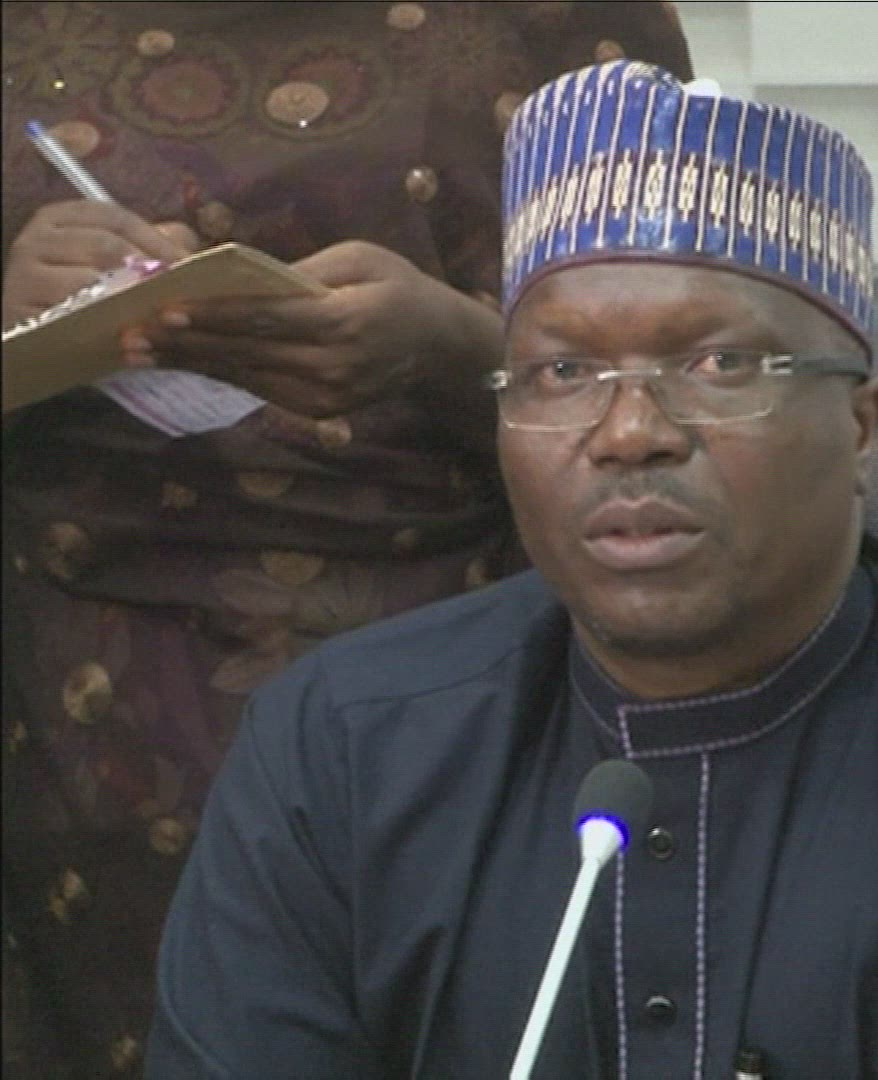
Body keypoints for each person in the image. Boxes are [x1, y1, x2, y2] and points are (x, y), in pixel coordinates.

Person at [147, 59, 878, 1077]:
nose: (629, 432)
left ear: (861, 426)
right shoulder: (338, 747)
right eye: (563, 372)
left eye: (719, 363)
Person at [0, 3, 693, 1075]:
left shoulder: (557, 21)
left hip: (469, 643)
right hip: (76, 681)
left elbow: (689, 377)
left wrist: (457, 344)